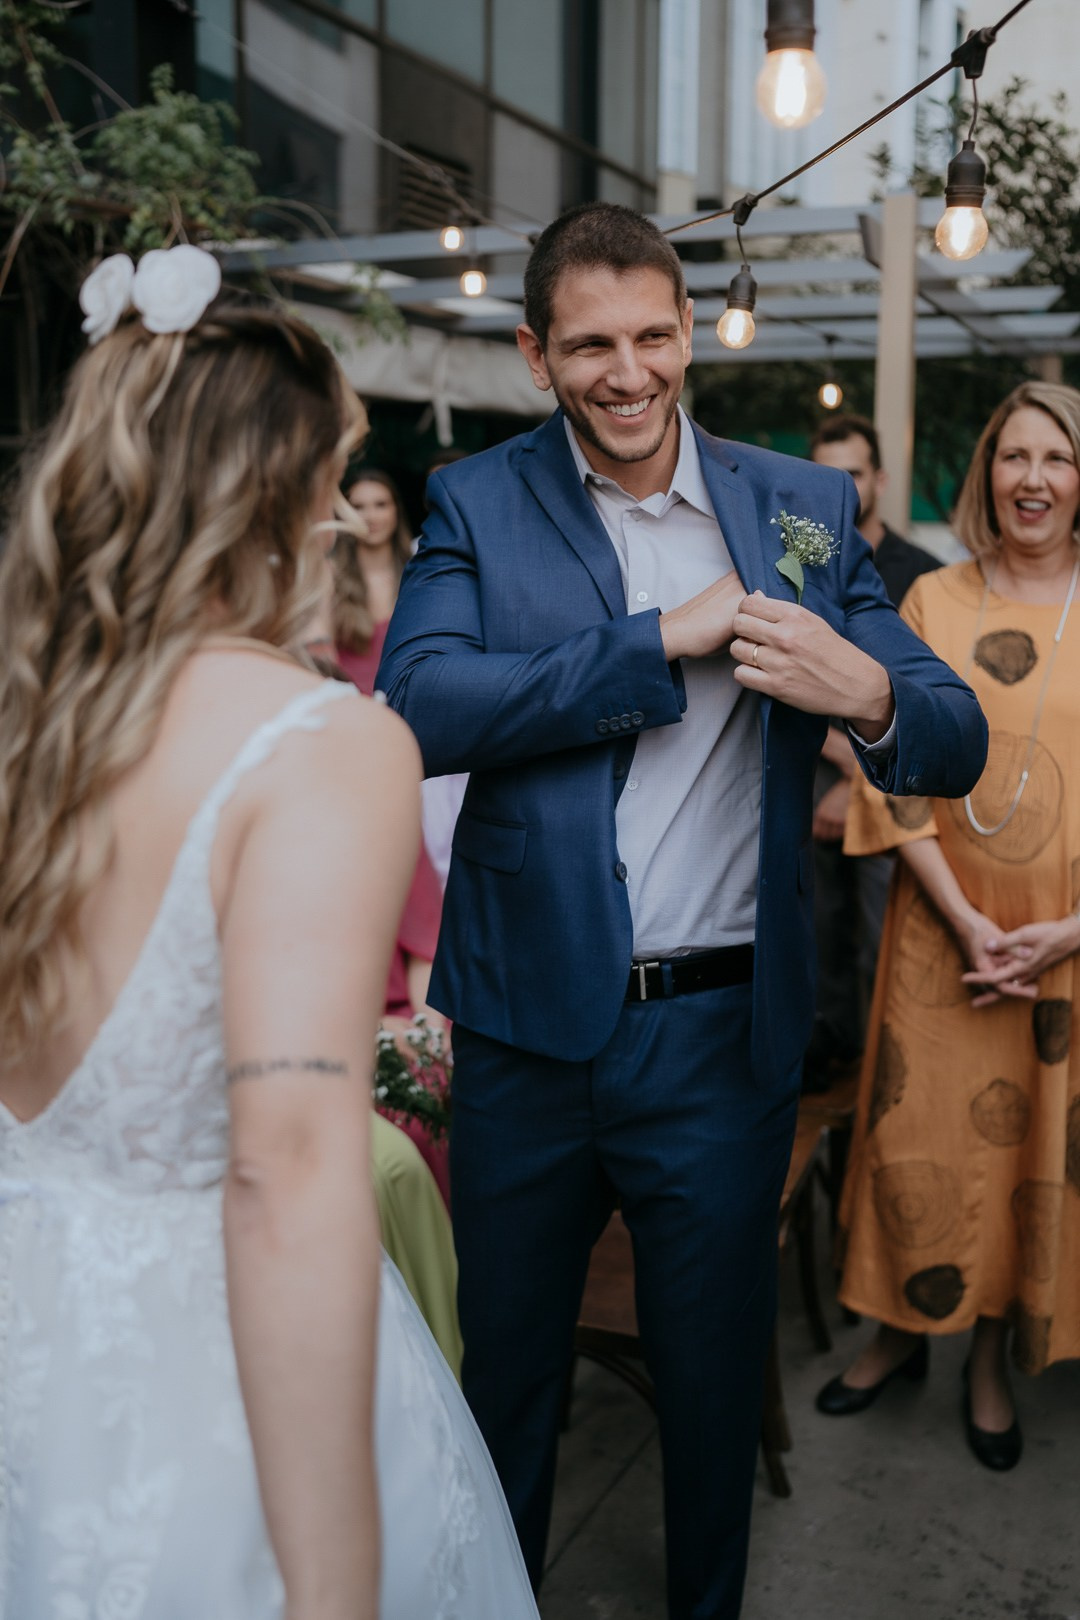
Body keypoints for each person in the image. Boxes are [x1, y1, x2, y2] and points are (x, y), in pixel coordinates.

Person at [377, 201, 988, 1618]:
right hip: (529, 1035)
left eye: (654, 335)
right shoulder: (478, 498)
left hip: (719, 1048)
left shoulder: (798, 507)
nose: (628, 372)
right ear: (537, 354)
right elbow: (417, 703)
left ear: (692, 332)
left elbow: (954, 734)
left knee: (712, 1389)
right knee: (510, 1381)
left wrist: (871, 690)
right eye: (590, 345)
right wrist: (657, 638)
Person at [0, 253, 538, 1619]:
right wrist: (332, 1596)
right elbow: (287, 1176)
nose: (347, 525)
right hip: (202, 1389)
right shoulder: (323, 745)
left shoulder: (28, 728)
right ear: (273, 495)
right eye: (334, 477)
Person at [817, 380, 1080, 1471]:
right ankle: (892, 1335)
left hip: (1064, 952)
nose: (1032, 480)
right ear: (986, 475)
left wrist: (1067, 933)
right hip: (942, 935)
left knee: (1023, 1157)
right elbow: (889, 776)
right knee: (912, 1142)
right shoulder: (929, 604)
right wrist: (971, 922)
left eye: (1056, 459)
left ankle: (982, 1361)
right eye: (1013, 457)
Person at [804, 416, 942, 1085]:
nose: (844, 489)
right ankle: (826, 1075)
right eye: (828, 475)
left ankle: (887, 1079)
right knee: (813, 928)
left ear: (880, 480)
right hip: (808, 775)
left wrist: (852, 780)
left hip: (893, 786)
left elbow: (928, 701)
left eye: (854, 474)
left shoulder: (922, 576)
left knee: (886, 933)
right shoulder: (796, 564)